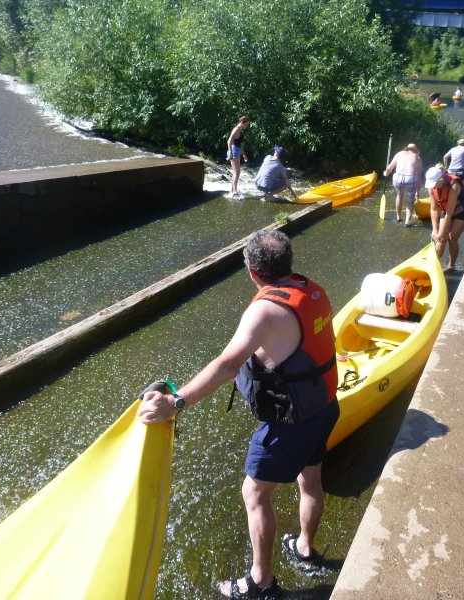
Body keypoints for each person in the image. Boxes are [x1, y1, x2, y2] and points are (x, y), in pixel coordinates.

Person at [138, 230, 340, 599]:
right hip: (325, 407)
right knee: (309, 480)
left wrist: (175, 402)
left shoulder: (264, 311)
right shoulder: (312, 289)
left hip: (291, 422)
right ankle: (305, 550)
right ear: (288, 263)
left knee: (255, 494)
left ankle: (260, 584)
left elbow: (227, 364)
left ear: (251, 271)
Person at [424, 165, 464, 273]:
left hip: (462, 210)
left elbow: (449, 214)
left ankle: (451, 266)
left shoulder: (453, 186)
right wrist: (435, 229)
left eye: (435, 183)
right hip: (447, 210)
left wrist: (441, 232)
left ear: (441, 178)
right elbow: (434, 209)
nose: (434, 186)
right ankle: (433, 267)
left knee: (452, 239)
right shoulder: (431, 188)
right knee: (441, 239)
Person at [383, 143, 423, 225]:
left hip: (397, 177)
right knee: (410, 200)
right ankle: (407, 222)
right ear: (415, 150)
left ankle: (398, 218)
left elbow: (389, 168)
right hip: (410, 178)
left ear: (407, 149)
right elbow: (419, 177)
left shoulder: (399, 154)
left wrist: (385, 173)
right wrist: (417, 192)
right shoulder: (417, 158)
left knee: (399, 196)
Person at [227, 116, 250, 198]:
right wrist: (230, 152)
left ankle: (232, 190)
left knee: (236, 172)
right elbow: (229, 140)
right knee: (237, 172)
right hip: (233, 151)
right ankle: (234, 191)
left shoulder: (240, 130)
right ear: (242, 123)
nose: (247, 126)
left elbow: (240, 144)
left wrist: (243, 154)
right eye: (246, 124)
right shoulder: (236, 129)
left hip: (237, 150)